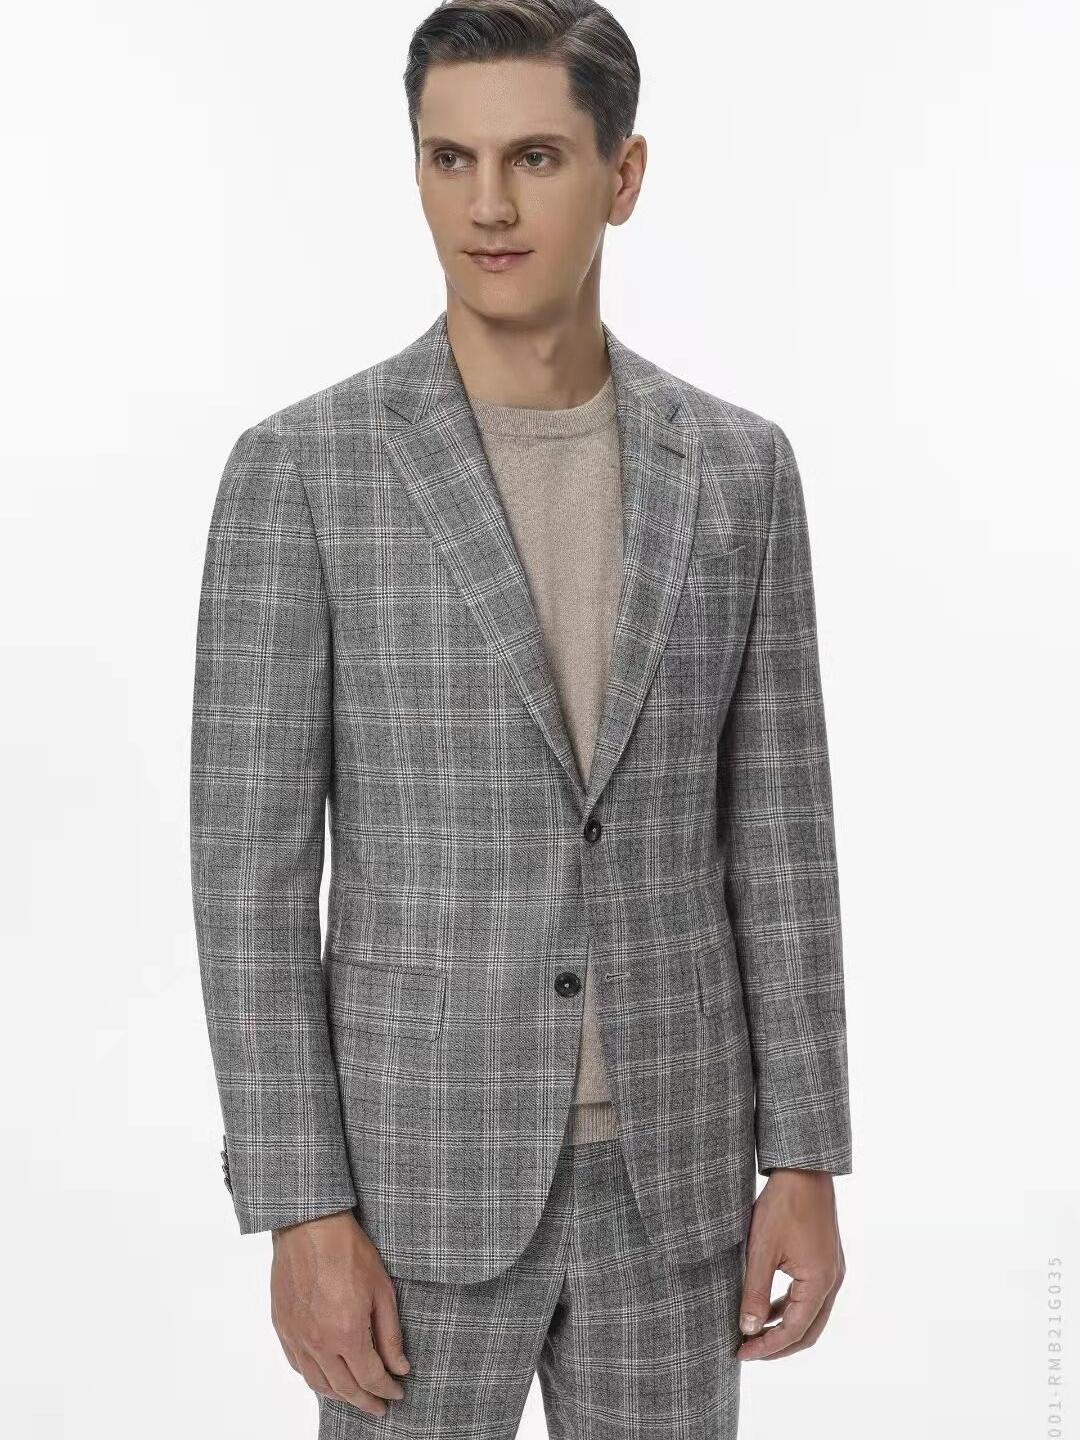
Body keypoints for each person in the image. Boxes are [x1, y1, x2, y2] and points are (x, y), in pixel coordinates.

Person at [189, 2, 853, 1434]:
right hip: (412, 1188)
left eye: (536, 157)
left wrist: (804, 1155)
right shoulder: (303, 473)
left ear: (624, 176)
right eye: (452, 159)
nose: (486, 205)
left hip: (679, 1181)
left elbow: (782, 835)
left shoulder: (738, 471)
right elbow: (250, 883)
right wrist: (303, 1204)